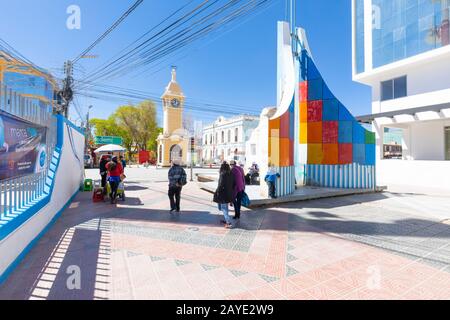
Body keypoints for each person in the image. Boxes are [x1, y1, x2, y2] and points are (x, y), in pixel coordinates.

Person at [213, 162, 235, 229]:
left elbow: (220, 185)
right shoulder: (231, 174)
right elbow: (233, 184)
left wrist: (217, 192)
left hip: (223, 194)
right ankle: (226, 219)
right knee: (224, 208)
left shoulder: (223, 174)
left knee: (224, 208)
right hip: (229, 193)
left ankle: (228, 222)